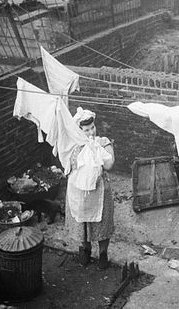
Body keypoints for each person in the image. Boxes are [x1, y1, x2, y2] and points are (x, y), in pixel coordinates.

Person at [69, 107, 115, 269]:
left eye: (93, 128)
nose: (91, 132)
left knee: (102, 222)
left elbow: (109, 164)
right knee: (83, 222)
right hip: (80, 191)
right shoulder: (75, 145)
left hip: (99, 189)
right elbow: (69, 167)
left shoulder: (103, 141)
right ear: (80, 131)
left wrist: (97, 149)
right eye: (87, 130)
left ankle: (103, 254)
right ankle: (85, 249)